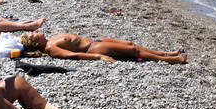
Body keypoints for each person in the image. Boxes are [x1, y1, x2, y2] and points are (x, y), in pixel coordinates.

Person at [20, 30, 185, 64]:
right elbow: (71, 55)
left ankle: (166, 53)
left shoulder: (50, 39)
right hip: (92, 48)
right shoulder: (50, 48)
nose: (36, 32)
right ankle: (171, 60)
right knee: (133, 52)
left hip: (94, 40)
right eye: (34, 35)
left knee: (130, 44)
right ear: (36, 43)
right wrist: (98, 56)